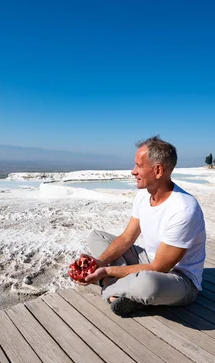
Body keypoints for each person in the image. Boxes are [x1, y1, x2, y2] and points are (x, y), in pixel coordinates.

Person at [80, 136, 206, 317]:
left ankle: (109, 288)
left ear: (157, 170)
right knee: (97, 237)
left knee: (148, 284)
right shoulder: (143, 195)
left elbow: (160, 268)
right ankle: (122, 289)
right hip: (148, 260)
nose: (133, 171)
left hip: (179, 279)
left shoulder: (184, 209)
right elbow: (126, 238)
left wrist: (107, 271)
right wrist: (99, 262)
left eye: (138, 166)